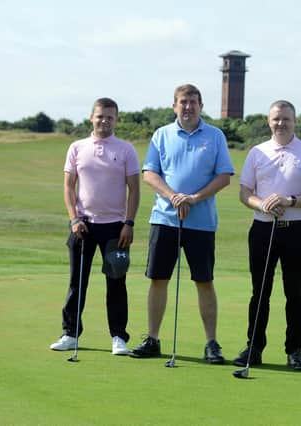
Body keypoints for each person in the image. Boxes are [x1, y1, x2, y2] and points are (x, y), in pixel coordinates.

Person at [130, 84, 234, 364]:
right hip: (164, 220)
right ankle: (152, 338)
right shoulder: (162, 135)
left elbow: (224, 175)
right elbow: (149, 174)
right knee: (159, 279)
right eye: (183, 102)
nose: (188, 107)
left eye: (193, 102)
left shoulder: (215, 136)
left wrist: (194, 197)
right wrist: (174, 196)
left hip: (201, 223)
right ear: (174, 106)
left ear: (201, 106)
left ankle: (212, 343)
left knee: (204, 281)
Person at [233, 100, 301, 371]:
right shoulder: (257, 152)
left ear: (295, 121)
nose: (281, 123)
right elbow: (244, 192)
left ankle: (295, 350)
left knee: (294, 292)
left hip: (295, 231)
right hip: (262, 229)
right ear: (268, 121)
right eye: (276, 119)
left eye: (286, 119)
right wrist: (263, 204)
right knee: (260, 291)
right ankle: (254, 347)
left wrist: (290, 200)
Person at [50, 97, 140, 355]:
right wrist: (74, 218)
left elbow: (134, 189)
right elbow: (68, 186)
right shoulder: (77, 147)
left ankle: (118, 337)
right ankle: (70, 333)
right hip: (83, 226)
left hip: (115, 228)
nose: (104, 121)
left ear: (116, 120)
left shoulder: (126, 150)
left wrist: (129, 223)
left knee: (116, 282)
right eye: (100, 116)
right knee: (77, 282)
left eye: (110, 117)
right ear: (91, 117)